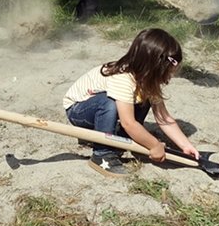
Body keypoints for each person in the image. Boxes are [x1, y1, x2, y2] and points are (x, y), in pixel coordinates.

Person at [63, 28, 197, 177]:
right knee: (109, 103)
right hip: (79, 111)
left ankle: (123, 139)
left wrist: (186, 146)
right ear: (155, 66)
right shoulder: (123, 78)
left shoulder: (148, 80)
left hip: (103, 110)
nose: (171, 75)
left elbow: (164, 119)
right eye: (170, 70)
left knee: (144, 99)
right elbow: (129, 123)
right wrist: (154, 145)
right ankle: (102, 153)